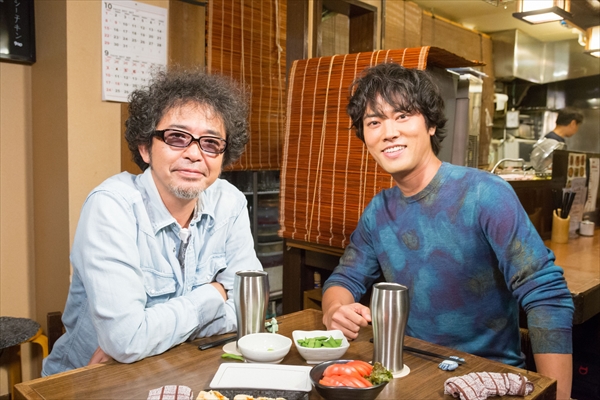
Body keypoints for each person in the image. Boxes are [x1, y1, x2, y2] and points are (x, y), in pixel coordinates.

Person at [321, 63, 574, 399]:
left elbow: (546, 295)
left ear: (430, 124)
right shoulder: (379, 211)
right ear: (365, 138)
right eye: (374, 122)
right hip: (413, 374)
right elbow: (343, 280)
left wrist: (555, 396)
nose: (389, 132)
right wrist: (334, 311)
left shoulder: (485, 193)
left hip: (490, 379)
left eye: (402, 115)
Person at [42, 68, 262, 375]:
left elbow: (250, 309)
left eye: (211, 143)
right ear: (145, 148)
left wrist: (147, 334)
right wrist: (214, 294)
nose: (195, 154)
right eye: (177, 137)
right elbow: (127, 339)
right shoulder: (111, 206)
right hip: (91, 381)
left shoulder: (230, 202)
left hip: (179, 370)